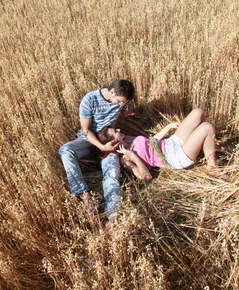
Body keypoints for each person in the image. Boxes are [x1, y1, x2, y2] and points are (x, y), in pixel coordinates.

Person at [59, 79, 136, 221]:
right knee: (65, 150)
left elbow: (122, 106)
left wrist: (125, 111)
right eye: (119, 101)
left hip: (109, 141)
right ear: (112, 92)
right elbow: (86, 130)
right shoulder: (89, 100)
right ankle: (83, 195)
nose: (121, 105)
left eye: (123, 103)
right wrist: (101, 147)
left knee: (111, 173)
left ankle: (113, 216)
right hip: (89, 140)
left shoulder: (119, 100)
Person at [97, 108, 229, 181]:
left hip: (170, 142)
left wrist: (169, 127)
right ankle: (212, 167)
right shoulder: (125, 159)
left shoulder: (128, 138)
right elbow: (146, 176)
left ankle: (207, 142)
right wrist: (132, 154)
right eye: (115, 132)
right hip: (173, 157)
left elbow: (151, 141)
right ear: (113, 142)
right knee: (206, 127)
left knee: (198, 113)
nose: (119, 130)